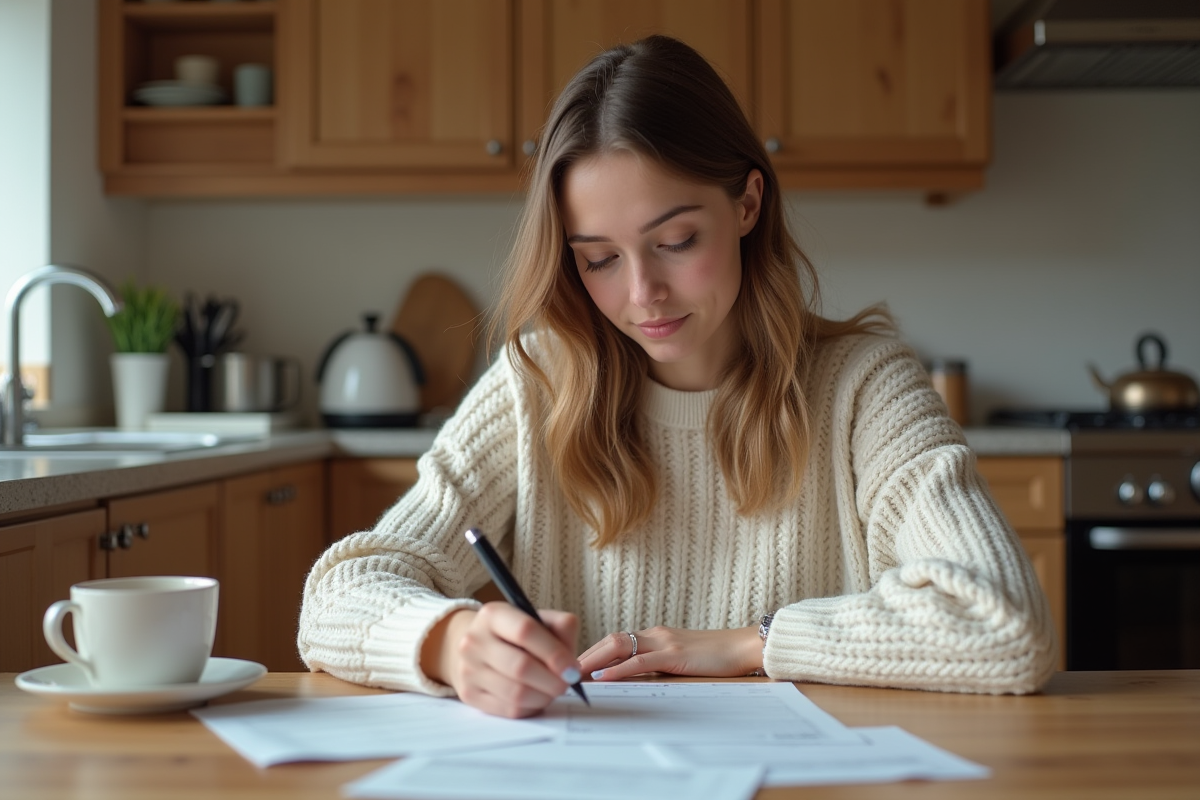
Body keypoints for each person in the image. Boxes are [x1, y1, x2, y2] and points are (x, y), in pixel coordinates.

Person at [298, 35, 1057, 719]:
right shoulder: (539, 383)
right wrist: (451, 642)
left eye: (676, 240)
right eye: (598, 258)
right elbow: (337, 595)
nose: (641, 294)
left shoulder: (864, 388)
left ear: (748, 202)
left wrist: (754, 645)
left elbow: (1004, 625)